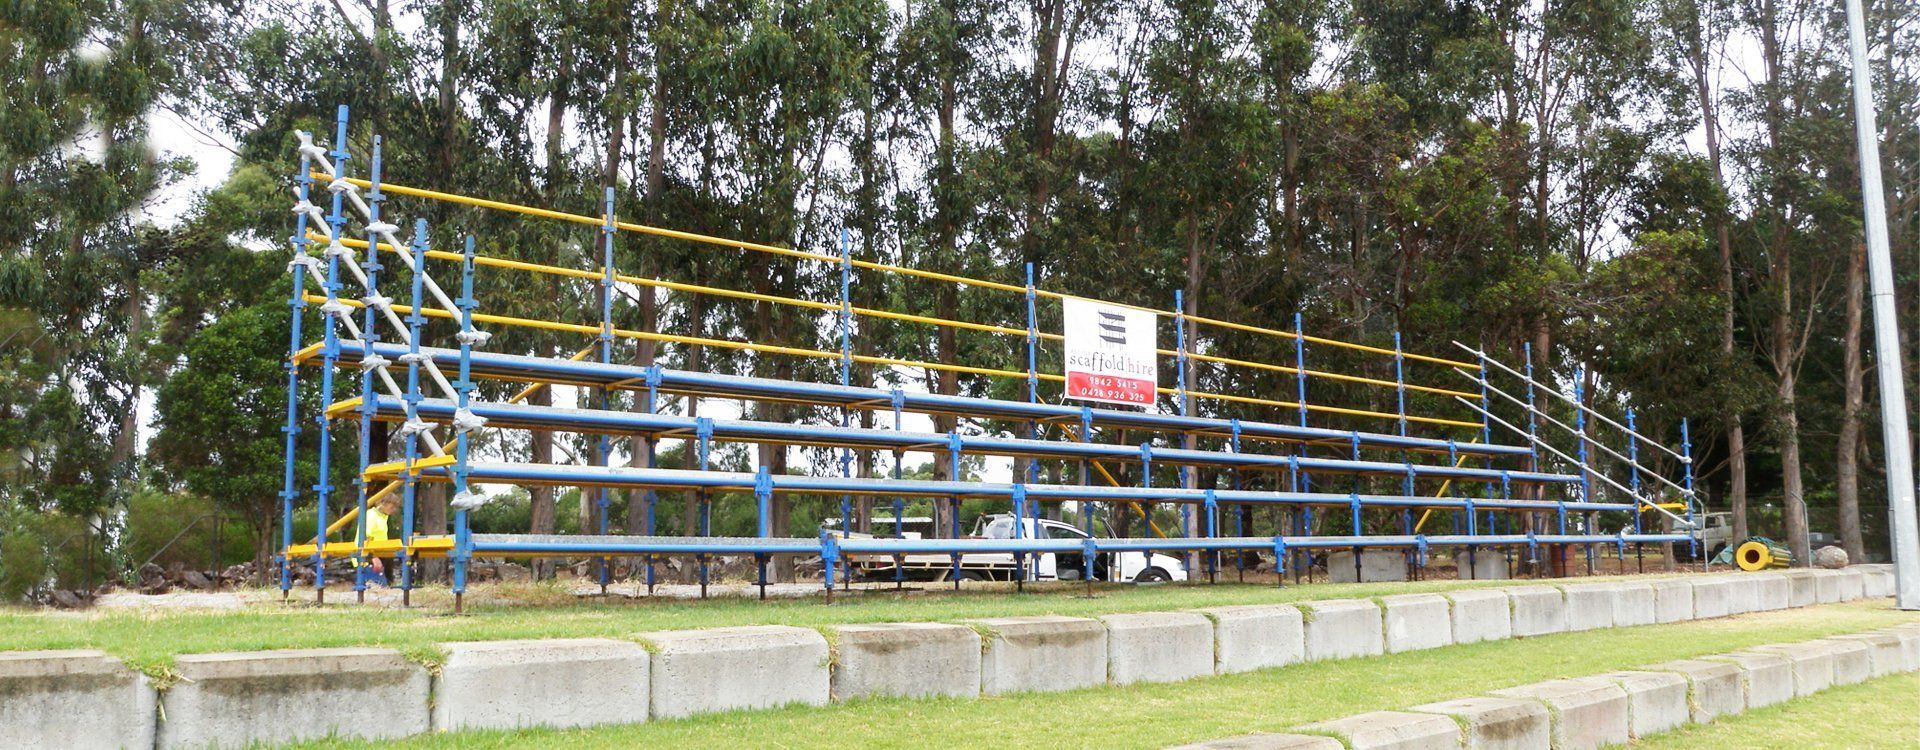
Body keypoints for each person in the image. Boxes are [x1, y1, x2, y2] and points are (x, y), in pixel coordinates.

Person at [357, 495, 401, 588]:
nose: (394, 510)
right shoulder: (371, 516)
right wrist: (373, 557)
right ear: (383, 504)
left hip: (380, 555)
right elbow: (365, 537)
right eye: (392, 507)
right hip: (368, 557)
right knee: (377, 588)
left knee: (385, 586)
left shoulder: (383, 517)